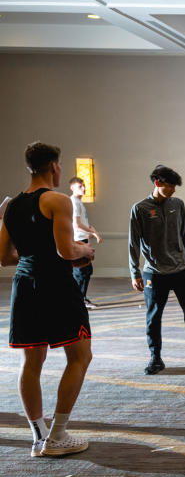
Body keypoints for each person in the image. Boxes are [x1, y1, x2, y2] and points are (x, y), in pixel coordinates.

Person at [0, 142, 95, 457]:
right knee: (80, 356)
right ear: (54, 167)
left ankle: (39, 436)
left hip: (24, 285)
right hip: (56, 285)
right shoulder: (58, 200)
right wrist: (86, 251)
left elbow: (4, 256)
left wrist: (33, 255)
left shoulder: (10, 205)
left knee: (31, 361)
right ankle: (58, 434)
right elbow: (66, 251)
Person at [129, 165, 185, 375]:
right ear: (158, 183)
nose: (173, 190)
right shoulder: (140, 209)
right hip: (154, 274)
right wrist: (134, 272)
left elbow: (184, 234)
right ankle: (155, 358)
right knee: (153, 317)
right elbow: (133, 243)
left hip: (181, 270)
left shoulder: (177, 204)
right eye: (170, 186)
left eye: (175, 186)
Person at [68, 176, 102, 309]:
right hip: (78, 240)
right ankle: (79, 300)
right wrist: (91, 232)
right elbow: (76, 224)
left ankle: (80, 298)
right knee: (82, 272)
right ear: (72, 188)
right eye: (79, 186)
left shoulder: (78, 202)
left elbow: (84, 223)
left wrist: (93, 232)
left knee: (86, 271)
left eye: (83, 185)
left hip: (83, 239)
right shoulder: (74, 202)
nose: (83, 188)